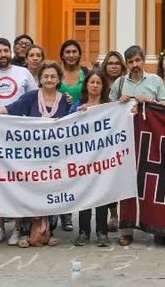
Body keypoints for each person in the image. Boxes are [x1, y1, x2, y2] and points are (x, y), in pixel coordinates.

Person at [0, 60, 71, 247]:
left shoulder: (65, 101)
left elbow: (75, 123)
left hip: (55, 158)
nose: (49, 79)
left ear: (59, 78)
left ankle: (47, 230)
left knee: (51, 191)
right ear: (40, 79)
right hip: (32, 157)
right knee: (31, 190)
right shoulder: (30, 97)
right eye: (45, 76)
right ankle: (26, 230)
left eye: (53, 76)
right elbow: (9, 109)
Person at [0, 38, 38, 245]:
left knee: (18, 181)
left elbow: (35, 97)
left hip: (19, 135)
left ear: (10, 52)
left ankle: (17, 228)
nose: (2, 54)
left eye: (5, 50)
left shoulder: (23, 73)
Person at [111, 45, 165, 247]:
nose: (135, 65)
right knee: (126, 185)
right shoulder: (119, 84)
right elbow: (109, 112)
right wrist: (120, 101)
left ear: (143, 60)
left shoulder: (155, 81)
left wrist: (150, 102)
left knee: (151, 184)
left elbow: (164, 106)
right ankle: (126, 230)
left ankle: (154, 226)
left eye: (138, 60)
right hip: (125, 141)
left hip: (150, 140)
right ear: (126, 64)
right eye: (131, 62)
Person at [70, 69, 114, 247]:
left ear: (103, 87)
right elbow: (66, 127)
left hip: (103, 158)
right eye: (91, 82)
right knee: (84, 194)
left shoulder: (110, 107)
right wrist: (77, 115)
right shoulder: (77, 106)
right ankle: (83, 231)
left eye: (98, 83)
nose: (95, 86)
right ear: (86, 85)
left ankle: (102, 232)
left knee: (102, 195)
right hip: (83, 159)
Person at [97, 49, 125, 232]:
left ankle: (122, 215)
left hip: (120, 135)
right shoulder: (97, 82)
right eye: (110, 63)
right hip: (101, 137)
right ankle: (112, 214)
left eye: (116, 63)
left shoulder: (126, 83)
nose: (113, 66)